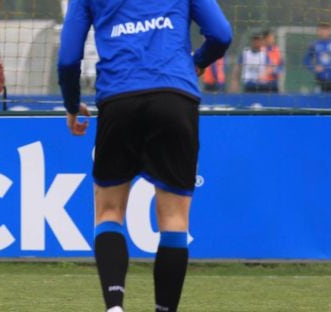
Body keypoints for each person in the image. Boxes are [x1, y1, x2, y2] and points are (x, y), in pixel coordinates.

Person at [58, 1, 231, 312]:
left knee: (109, 212)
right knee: (174, 220)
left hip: (119, 99)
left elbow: (69, 58)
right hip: (175, 98)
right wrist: (197, 61)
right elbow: (221, 34)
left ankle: (114, 306)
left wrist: (72, 105)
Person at [303, 22, 331, 93]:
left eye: (326, 30)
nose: (324, 32)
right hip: (320, 78)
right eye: (321, 30)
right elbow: (306, 60)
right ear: (318, 32)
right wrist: (313, 68)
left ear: (330, 31)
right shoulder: (314, 45)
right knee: (320, 101)